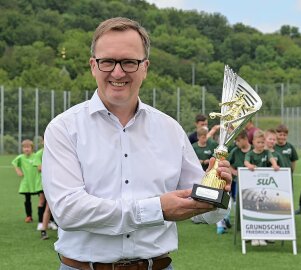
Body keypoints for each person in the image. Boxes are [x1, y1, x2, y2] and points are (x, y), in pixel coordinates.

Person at [42, 17, 232, 270]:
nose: (118, 72)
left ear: (145, 67)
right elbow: (68, 211)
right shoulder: (63, 128)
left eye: (129, 62)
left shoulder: (170, 130)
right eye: (107, 61)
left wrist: (217, 192)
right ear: (93, 66)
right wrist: (157, 210)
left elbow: (208, 213)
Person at [12, 139, 43, 223]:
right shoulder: (21, 157)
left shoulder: (35, 156)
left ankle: (43, 216)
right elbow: (14, 163)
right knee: (27, 199)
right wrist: (18, 170)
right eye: (24, 147)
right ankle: (29, 216)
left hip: (36, 181)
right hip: (26, 182)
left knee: (42, 199)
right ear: (22, 149)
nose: (26, 149)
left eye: (28, 147)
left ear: (32, 148)